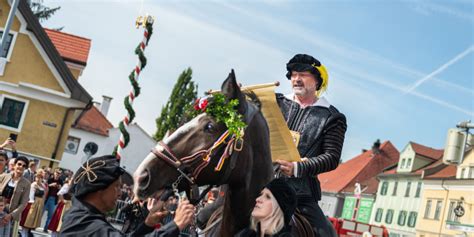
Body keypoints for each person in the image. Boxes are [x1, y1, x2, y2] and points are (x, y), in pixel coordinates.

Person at [274, 54, 347, 236]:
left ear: (317, 81)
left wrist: (298, 167)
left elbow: (331, 158)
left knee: (327, 235)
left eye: (303, 74)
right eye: (293, 74)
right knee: (207, 215)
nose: (296, 79)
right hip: (262, 181)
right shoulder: (275, 103)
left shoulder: (332, 117)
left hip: (300, 193)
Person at [60, 155, 195, 236]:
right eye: (116, 187)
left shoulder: (82, 216)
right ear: (98, 190)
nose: (120, 192)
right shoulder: (84, 224)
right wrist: (176, 224)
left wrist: (147, 224)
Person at [0, 156, 31, 237]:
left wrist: (11, 215)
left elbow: (23, 203)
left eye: (24, 166)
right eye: (19, 164)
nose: (21, 167)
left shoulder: (27, 184)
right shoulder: (4, 176)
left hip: (12, 215)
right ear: (14, 165)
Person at [21, 168, 47, 237]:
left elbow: (44, 196)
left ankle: (27, 234)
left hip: (39, 205)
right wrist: (33, 205)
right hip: (32, 204)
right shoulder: (33, 185)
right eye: (37, 177)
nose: (38, 179)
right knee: (27, 221)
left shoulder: (43, 186)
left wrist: (41, 204)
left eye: (40, 177)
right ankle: (24, 234)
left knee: (31, 223)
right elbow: (31, 196)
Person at [42, 168, 63, 232]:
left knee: (50, 215)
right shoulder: (50, 179)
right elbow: (44, 186)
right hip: (46, 198)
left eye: (59, 173)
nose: (57, 174)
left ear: (60, 175)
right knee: (41, 213)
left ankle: (46, 228)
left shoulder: (61, 181)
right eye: (56, 173)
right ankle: (34, 226)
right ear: (54, 173)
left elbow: (62, 191)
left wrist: (60, 188)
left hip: (54, 199)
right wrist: (50, 185)